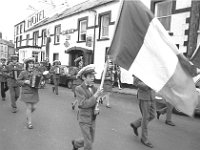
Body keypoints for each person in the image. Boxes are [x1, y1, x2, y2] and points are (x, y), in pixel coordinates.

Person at [72, 64, 103, 150]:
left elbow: (96, 102)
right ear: (84, 77)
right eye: (90, 76)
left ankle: (76, 144)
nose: (93, 78)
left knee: (90, 139)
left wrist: (98, 103)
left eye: (93, 76)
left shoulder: (95, 88)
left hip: (93, 118)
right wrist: (96, 96)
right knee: (88, 144)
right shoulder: (78, 89)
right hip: (84, 119)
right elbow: (83, 104)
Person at [130, 76, 155, 148]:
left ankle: (136, 124)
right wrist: (149, 85)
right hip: (144, 97)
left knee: (152, 115)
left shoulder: (153, 67)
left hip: (152, 95)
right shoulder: (139, 66)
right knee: (146, 117)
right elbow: (136, 83)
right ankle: (144, 139)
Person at [17, 57, 42, 129]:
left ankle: (28, 116)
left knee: (34, 107)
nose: (31, 64)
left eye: (32, 63)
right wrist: (24, 81)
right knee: (29, 107)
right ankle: (29, 123)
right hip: (26, 92)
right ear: (27, 64)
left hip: (34, 92)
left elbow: (40, 79)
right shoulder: (23, 72)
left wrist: (41, 82)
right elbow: (18, 81)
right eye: (30, 63)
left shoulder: (36, 71)